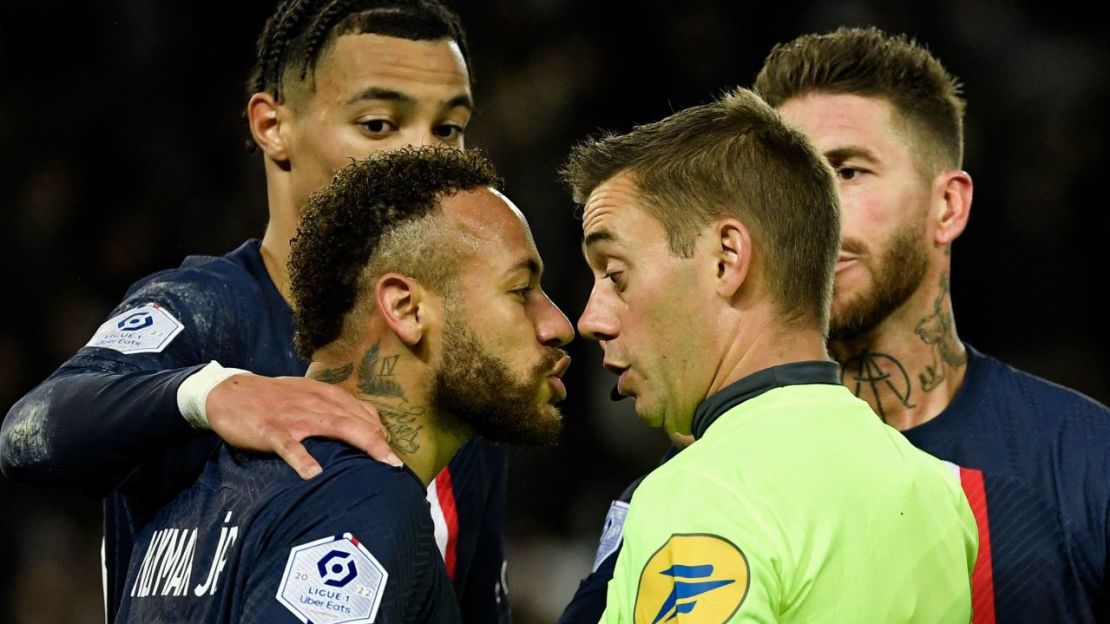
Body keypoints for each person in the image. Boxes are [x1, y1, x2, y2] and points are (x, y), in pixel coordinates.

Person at [562, 27, 1109, 624]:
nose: (813, 208)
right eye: (792, 181)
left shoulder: (1085, 460)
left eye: (845, 171)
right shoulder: (681, 484)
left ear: (947, 205)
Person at [0, 2, 513, 621]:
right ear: (273, 125)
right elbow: (29, 435)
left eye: (449, 129)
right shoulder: (209, 310)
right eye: (379, 124)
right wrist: (210, 394)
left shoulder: (455, 363)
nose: (425, 159)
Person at [563, 86, 977, 622]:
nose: (590, 320)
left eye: (616, 275)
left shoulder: (704, 493)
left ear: (726, 259)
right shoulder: (936, 491)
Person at [113, 146, 573, 623]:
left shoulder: (196, 500)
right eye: (521, 290)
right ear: (406, 308)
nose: (558, 324)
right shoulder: (363, 508)